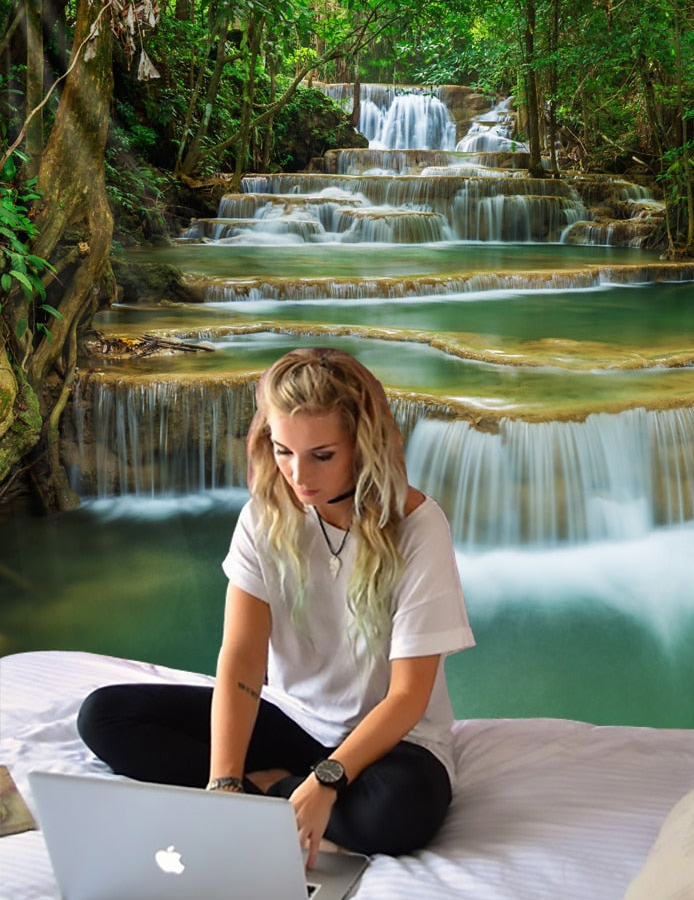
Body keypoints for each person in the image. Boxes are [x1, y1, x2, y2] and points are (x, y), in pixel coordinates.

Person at [78, 347, 475, 862]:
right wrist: (222, 782)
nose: (297, 474)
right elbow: (242, 659)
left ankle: (273, 789)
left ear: (364, 443)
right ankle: (264, 790)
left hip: (391, 744)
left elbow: (407, 698)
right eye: (283, 450)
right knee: (105, 717)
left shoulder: (419, 527)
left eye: (322, 455)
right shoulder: (263, 517)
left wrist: (327, 780)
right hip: (294, 722)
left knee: (397, 815)